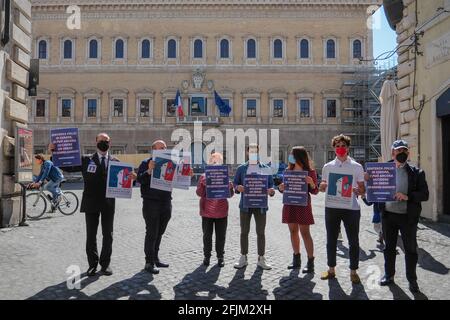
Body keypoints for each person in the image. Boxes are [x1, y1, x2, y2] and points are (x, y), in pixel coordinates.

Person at [50, 133, 136, 277]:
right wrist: (54, 153)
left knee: (108, 235)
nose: (104, 143)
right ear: (96, 142)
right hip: (91, 202)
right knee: (91, 236)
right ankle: (92, 265)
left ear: (110, 142)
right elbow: (68, 167)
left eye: (106, 141)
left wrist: (132, 178)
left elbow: (124, 181)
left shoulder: (116, 161)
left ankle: (105, 264)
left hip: (108, 203)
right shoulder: (86, 160)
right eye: (101, 140)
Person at [377, 140, 429, 293]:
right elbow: (373, 192)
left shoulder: (417, 172)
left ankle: (412, 281)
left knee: (411, 250)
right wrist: (368, 181)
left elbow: (425, 195)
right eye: (398, 151)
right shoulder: (383, 170)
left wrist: (407, 196)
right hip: (388, 216)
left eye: (404, 151)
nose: (402, 153)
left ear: (408, 153)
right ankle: (389, 275)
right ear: (392, 153)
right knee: (389, 248)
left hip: (408, 217)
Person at [137, 140, 194, 274]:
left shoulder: (173, 162)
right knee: (151, 233)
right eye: (160, 148)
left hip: (166, 201)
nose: (164, 149)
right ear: (154, 150)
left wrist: (187, 174)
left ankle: (156, 258)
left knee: (160, 232)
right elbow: (139, 180)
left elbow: (178, 179)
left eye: (165, 147)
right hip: (151, 202)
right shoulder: (146, 163)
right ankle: (149, 262)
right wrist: (149, 170)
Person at [319, 134, 365, 284]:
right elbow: (322, 186)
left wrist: (360, 191)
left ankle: (353, 271)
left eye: (343, 145)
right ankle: (331, 269)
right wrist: (322, 187)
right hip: (332, 207)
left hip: (351, 208)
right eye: (337, 146)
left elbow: (362, 190)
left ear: (348, 147)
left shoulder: (357, 167)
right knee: (331, 240)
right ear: (333, 148)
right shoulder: (328, 167)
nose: (340, 148)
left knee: (353, 241)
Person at [233, 143, 276, 270]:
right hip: (245, 205)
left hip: (261, 205)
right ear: (247, 152)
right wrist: (237, 188)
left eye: (255, 151)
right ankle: (243, 257)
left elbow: (271, 185)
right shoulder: (241, 169)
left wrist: (271, 191)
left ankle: (261, 258)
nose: (253, 153)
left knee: (261, 232)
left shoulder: (266, 168)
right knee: (244, 232)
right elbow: (235, 183)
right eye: (251, 151)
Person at [278, 146, 318, 273]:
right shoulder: (287, 170)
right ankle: (296, 259)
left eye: (292, 154)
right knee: (293, 231)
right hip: (290, 205)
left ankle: (310, 261)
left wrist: (311, 182)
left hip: (303, 205)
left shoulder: (310, 172)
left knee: (305, 233)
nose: (290, 156)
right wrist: (281, 188)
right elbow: (284, 189)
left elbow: (315, 191)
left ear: (299, 156)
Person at [196, 152, 234, 267]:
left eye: (218, 160)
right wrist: (202, 186)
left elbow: (230, 194)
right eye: (213, 160)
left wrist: (230, 188)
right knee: (207, 235)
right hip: (206, 211)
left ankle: (220, 257)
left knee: (221, 236)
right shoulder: (203, 176)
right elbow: (199, 193)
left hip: (221, 211)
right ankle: (206, 257)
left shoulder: (225, 176)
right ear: (209, 162)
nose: (215, 162)